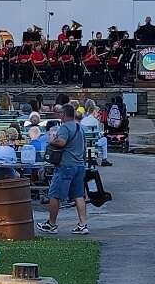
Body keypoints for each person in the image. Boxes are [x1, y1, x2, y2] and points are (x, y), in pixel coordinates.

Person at [37, 104, 90, 235]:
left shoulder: (65, 127)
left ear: (64, 114)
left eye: (60, 113)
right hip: (79, 165)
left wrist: (51, 140)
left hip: (66, 166)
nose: (58, 115)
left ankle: (51, 224)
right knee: (78, 195)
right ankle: (83, 225)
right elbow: (84, 148)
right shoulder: (79, 127)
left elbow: (61, 143)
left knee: (55, 195)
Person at [81, 100, 111, 166]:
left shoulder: (83, 120)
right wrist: (103, 134)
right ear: (94, 111)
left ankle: (93, 158)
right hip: (92, 141)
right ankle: (104, 160)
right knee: (104, 140)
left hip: (83, 141)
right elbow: (97, 134)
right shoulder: (95, 121)